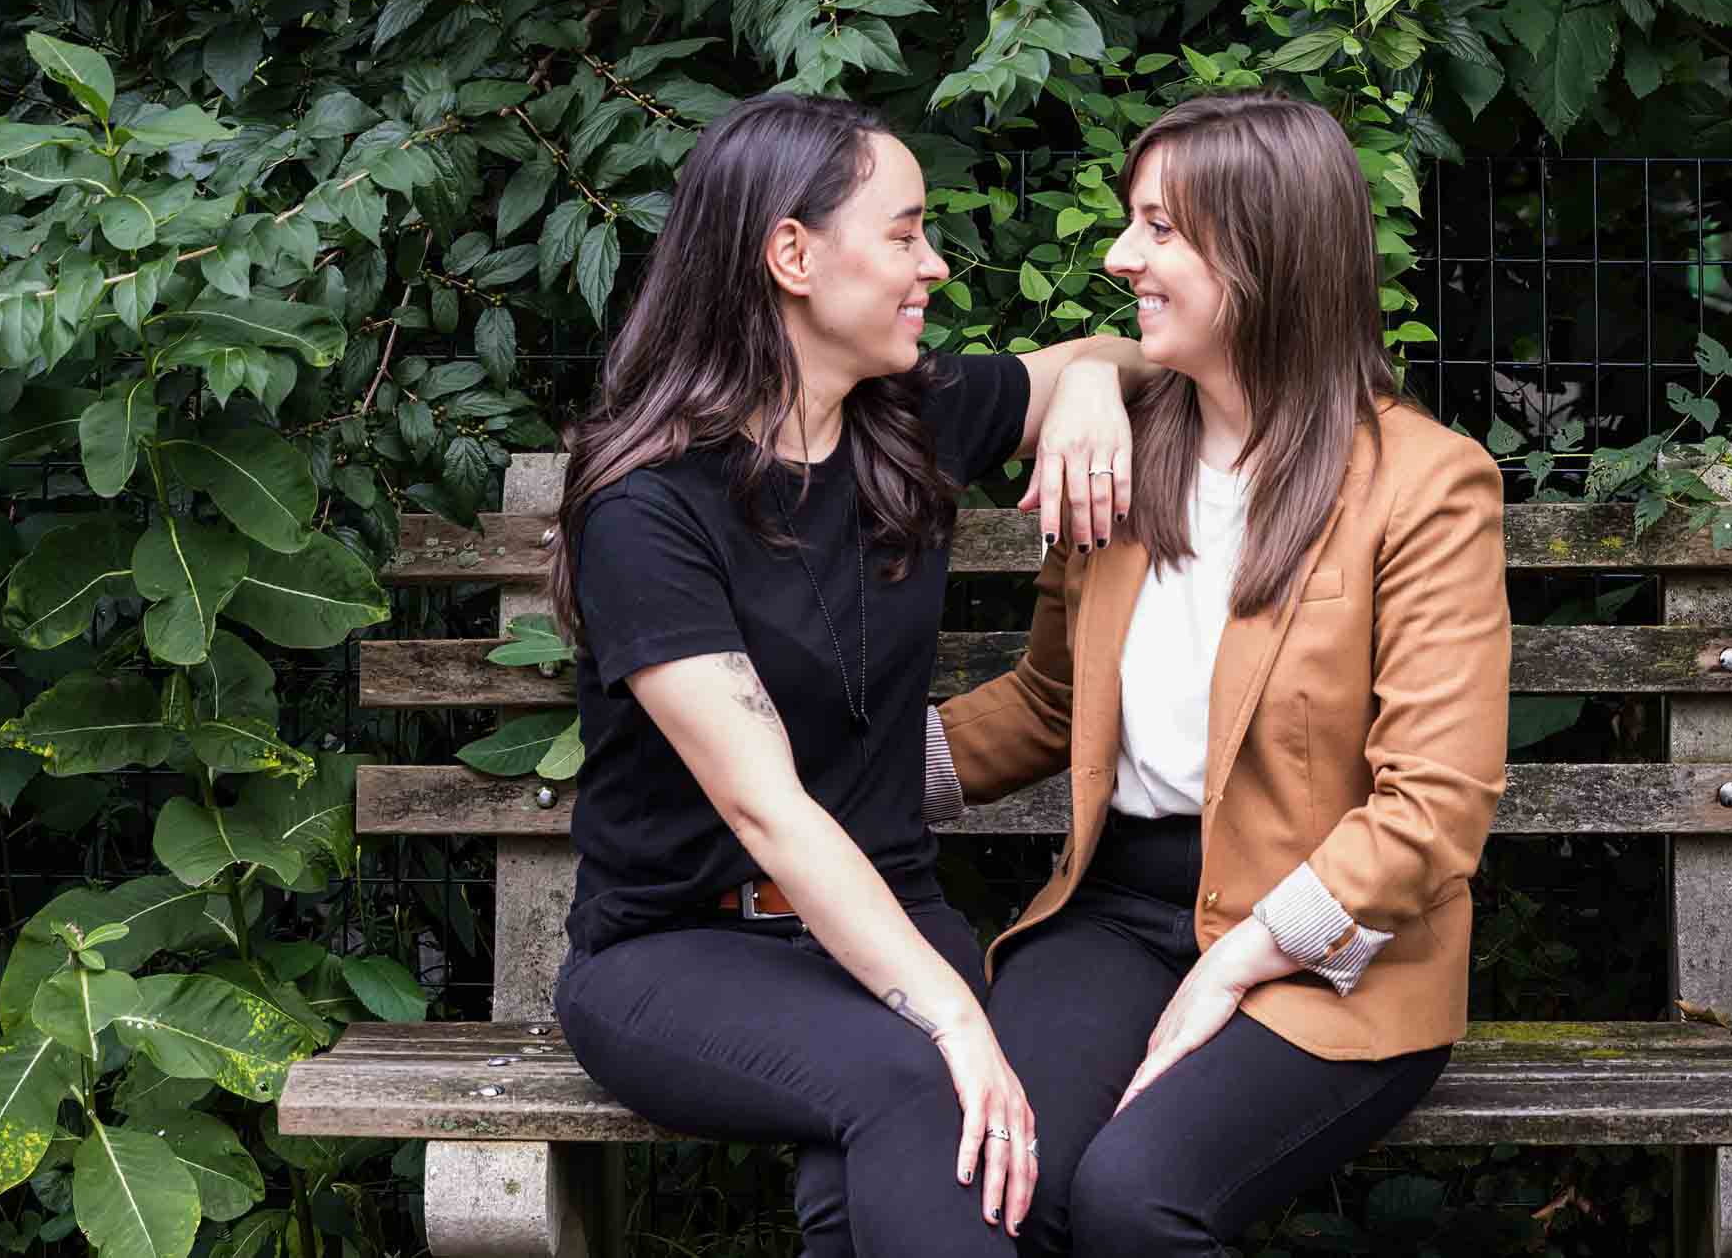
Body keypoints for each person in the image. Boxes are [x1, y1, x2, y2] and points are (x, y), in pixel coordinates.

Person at [546, 91, 1151, 1257]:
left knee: (916, 1171)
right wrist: (954, 1018)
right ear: (790, 254)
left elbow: (1127, 354)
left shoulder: (902, 420)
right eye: (902, 232)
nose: (931, 264)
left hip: (885, 909)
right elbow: (761, 807)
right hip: (678, 950)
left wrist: (1079, 385)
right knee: (930, 1086)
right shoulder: (647, 511)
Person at [929, 91, 1512, 1255]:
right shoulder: (1117, 452)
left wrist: (1234, 964)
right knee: (997, 1186)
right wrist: (824, 785)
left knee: (1134, 1203)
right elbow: (1052, 704)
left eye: (1157, 228)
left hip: (1329, 950)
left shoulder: (1424, 483)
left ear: (1258, 254)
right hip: (1111, 913)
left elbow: (1433, 807)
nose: (1116, 255)